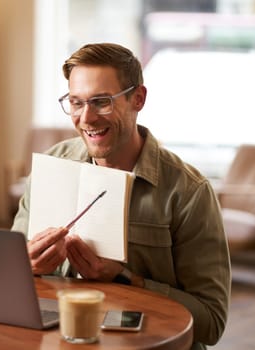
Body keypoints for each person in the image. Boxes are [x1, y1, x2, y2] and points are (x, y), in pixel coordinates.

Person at [12, 42, 231, 349]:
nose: (86, 118)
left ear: (138, 99)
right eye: (76, 103)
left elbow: (212, 323)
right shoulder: (51, 166)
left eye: (101, 102)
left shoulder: (190, 192)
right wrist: (28, 265)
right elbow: (10, 279)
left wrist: (126, 279)